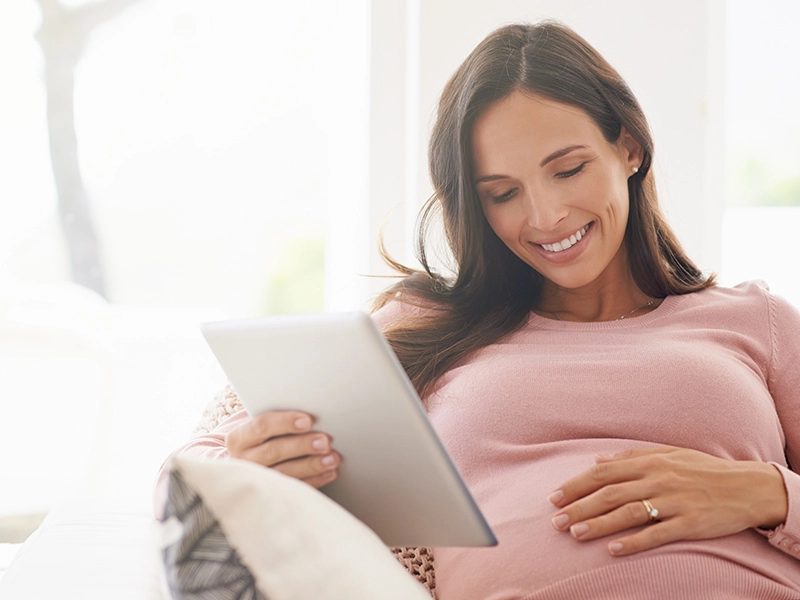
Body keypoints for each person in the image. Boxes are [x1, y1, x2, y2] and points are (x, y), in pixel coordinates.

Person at [155, 21, 800, 598]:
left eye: (569, 169)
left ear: (628, 147)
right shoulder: (426, 327)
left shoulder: (755, 322)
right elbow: (194, 472)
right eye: (502, 193)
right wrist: (249, 464)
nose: (544, 217)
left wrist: (766, 493)